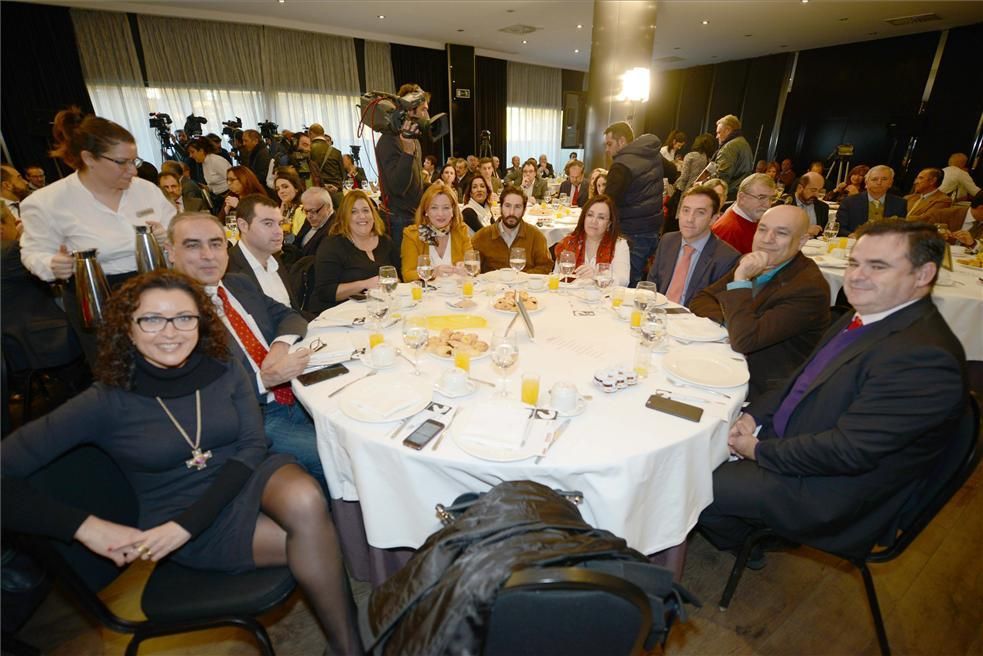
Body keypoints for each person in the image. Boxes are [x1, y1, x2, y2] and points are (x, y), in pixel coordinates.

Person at [0, 270, 362, 655]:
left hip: (242, 476)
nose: (170, 331)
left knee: (306, 499)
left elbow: (253, 443)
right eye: (152, 319)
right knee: (318, 539)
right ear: (127, 325)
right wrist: (84, 527)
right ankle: (350, 644)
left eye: (184, 318)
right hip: (181, 515)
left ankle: (347, 646)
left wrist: (188, 523)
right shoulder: (105, 401)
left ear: (201, 322)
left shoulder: (224, 368)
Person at [696, 220, 967, 568]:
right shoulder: (866, 314)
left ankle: (753, 539)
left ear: (924, 274)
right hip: (798, 440)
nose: (856, 276)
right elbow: (800, 378)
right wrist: (754, 416)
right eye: (855, 263)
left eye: (878, 266)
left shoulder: (925, 359)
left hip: (828, 489)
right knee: (698, 437)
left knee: (694, 483)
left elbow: (847, 452)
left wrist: (759, 450)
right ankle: (743, 519)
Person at [166, 212, 326, 490]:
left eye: (216, 244)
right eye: (193, 245)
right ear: (170, 253)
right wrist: (264, 381)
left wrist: (278, 347)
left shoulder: (238, 284)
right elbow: (197, 401)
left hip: (295, 394)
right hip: (252, 419)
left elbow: (289, 316)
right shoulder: (171, 318)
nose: (208, 255)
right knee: (337, 455)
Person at [19, 107, 176, 361]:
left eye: (133, 161)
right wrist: (51, 264)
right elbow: (33, 252)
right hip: (97, 295)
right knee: (119, 372)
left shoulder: (146, 191)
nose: (133, 171)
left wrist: (168, 238)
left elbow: (175, 230)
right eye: (121, 162)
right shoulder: (48, 202)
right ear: (89, 159)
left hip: (154, 288)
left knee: (167, 361)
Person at [691, 205, 830, 400]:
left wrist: (740, 281)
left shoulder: (808, 288)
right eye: (762, 229)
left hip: (763, 388)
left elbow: (744, 341)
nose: (767, 239)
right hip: (723, 361)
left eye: (781, 233)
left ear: (801, 241)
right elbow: (701, 299)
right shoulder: (754, 262)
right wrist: (732, 323)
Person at [647, 185, 740, 307]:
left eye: (700, 213)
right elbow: (651, 284)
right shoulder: (668, 241)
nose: (690, 219)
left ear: (713, 219)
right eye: (686, 210)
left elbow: (716, 307)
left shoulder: (726, 258)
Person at [310, 189, 398, 313]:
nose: (362, 216)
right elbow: (325, 292)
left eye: (366, 210)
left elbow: (399, 277)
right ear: (344, 217)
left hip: (380, 309)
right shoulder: (332, 246)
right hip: (340, 316)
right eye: (354, 212)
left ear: (373, 214)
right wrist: (365, 284)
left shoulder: (385, 241)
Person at [603, 121, 665, 286]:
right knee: (647, 278)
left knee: (628, 281)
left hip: (632, 231)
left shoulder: (621, 165)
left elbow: (607, 202)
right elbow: (674, 173)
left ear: (622, 141)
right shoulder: (653, 154)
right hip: (654, 229)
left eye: (609, 144)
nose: (607, 149)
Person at [375, 84, 430, 259]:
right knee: (406, 267)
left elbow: (414, 180)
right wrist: (407, 152)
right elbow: (398, 187)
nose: (426, 116)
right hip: (399, 220)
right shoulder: (387, 141)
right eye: (423, 110)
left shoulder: (415, 141)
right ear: (410, 111)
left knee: (423, 262)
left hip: (417, 215)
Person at [226, 194, 299, 311]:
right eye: (268, 224)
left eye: (279, 224)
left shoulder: (275, 260)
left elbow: (292, 310)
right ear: (243, 226)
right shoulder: (227, 270)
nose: (279, 232)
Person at [552, 195, 630, 287]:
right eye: (590, 215)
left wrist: (597, 275)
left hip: (604, 298)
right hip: (571, 296)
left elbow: (623, 280)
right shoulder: (569, 242)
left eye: (601, 217)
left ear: (609, 224)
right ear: (583, 218)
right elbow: (556, 276)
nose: (594, 221)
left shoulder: (619, 245)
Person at [471, 186, 552, 274]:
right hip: (493, 286)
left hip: (525, 286)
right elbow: (471, 268)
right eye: (507, 206)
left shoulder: (536, 236)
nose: (511, 212)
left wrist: (522, 278)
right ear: (500, 207)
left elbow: (546, 266)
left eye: (517, 207)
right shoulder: (482, 237)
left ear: (524, 210)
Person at [401, 182, 472, 282]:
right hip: (426, 295)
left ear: (453, 211)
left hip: (457, 293)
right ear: (426, 210)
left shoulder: (460, 231)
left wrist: (466, 267)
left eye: (446, 208)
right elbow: (407, 275)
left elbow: (473, 265)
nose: (440, 214)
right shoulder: (414, 235)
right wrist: (433, 272)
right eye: (434, 208)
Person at [710, 173, 776, 254]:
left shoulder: (753, 220)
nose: (768, 204)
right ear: (742, 198)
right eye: (761, 197)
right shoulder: (727, 231)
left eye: (771, 198)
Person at [836, 165, 907, 236]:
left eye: (884, 179)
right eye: (874, 179)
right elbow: (839, 228)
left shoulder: (900, 204)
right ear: (866, 183)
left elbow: (901, 231)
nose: (879, 182)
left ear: (890, 183)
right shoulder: (849, 202)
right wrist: (850, 235)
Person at [710, 114, 754, 200]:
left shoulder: (728, 147)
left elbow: (722, 178)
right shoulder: (743, 143)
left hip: (727, 194)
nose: (717, 136)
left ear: (728, 130)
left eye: (719, 132)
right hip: (738, 193)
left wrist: (705, 184)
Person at [783, 172, 829, 237]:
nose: (817, 195)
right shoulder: (784, 203)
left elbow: (823, 234)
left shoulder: (823, 207)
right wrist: (804, 230)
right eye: (813, 190)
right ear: (800, 188)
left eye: (820, 191)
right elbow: (778, 229)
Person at [295, 186, 335, 257]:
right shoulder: (312, 217)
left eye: (313, 211)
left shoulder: (335, 229)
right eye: (306, 211)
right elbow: (296, 244)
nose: (309, 216)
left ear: (328, 207)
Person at [273, 169, 306, 238]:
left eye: (285, 187)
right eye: (278, 189)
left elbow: (296, 239)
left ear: (296, 188)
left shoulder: (301, 210)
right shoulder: (285, 207)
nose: (281, 191)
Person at [239, 129, 273, 194]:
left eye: (246, 141)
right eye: (243, 141)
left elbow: (263, 176)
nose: (243, 144)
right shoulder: (256, 152)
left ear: (255, 141)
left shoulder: (262, 154)